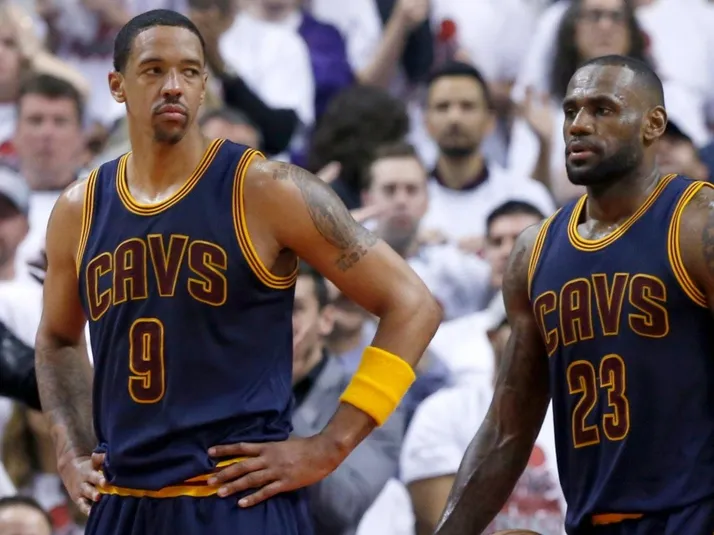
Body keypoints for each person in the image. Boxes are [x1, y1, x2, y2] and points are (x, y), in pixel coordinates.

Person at [34, 9, 442, 535]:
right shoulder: (79, 208)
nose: (174, 85)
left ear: (205, 85)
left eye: (189, 71)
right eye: (154, 70)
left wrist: (330, 444)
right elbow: (57, 339)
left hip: (233, 501)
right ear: (117, 85)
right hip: (124, 502)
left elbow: (414, 305)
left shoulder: (268, 189)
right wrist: (70, 451)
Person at [434, 54, 714, 535]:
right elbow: (507, 429)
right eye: (570, 111)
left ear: (653, 124)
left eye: (603, 109)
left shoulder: (697, 223)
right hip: (590, 520)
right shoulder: (534, 252)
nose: (579, 125)